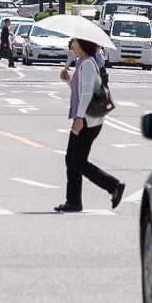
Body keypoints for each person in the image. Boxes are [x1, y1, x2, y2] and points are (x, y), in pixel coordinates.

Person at [55, 37, 125, 213]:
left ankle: (113, 185)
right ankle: (73, 202)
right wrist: (68, 81)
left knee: (77, 161)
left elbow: (86, 93)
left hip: (87, 121)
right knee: (71, 160)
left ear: (83, 44)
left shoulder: (86, 64)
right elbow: (81, 90)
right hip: (83, 119)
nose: (72, 45)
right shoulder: (82, 63)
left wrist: (79, 118)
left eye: (74, 42)